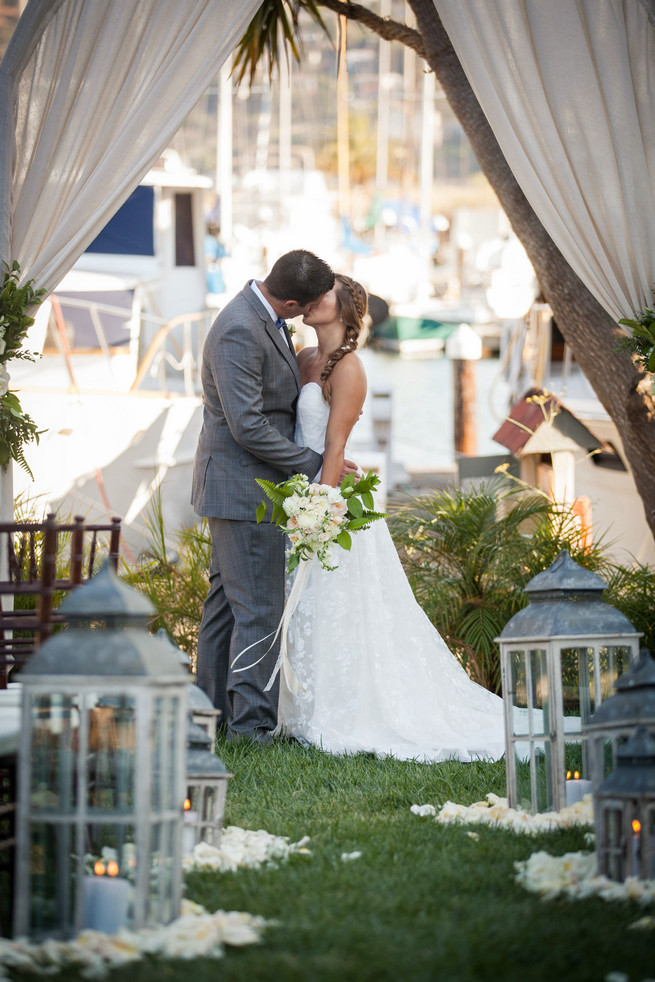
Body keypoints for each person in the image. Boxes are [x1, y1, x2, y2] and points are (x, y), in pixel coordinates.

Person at [277, 274, 508, 762]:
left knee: (341, 606)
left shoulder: (350, 369)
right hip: (300, 494)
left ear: (343, 311)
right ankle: (296, 705)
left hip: (329, 506)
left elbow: (335, 448)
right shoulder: (301, 359)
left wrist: (316, 513)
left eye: (325, 294)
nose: (314, 299)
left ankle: (346, 708)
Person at [191, 250, 356, 744]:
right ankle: (252, 727)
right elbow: (247, 425)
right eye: (305, 306)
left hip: (243, 486)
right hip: (243, 489)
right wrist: (313, 465)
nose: (310, 312)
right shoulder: (241, 327)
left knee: (225, 608)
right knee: (259, 610)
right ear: (288, 300)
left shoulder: (264, 316)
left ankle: (210, 716)